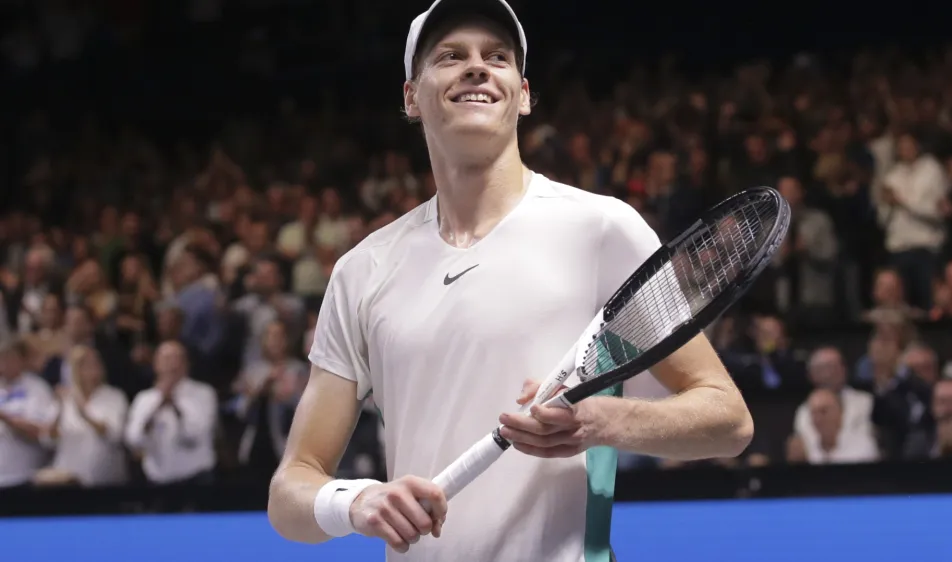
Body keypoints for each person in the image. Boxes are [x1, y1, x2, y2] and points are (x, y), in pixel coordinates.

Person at [267, 1, 753, 561]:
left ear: (521, 94)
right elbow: (291, 490)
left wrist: (602, 420)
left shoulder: (602, 228)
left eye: (496, 57)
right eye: (450, 56)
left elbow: (727, 419)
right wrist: (355, 502)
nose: (477, 67)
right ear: (410, 97)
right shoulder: (362, 270)